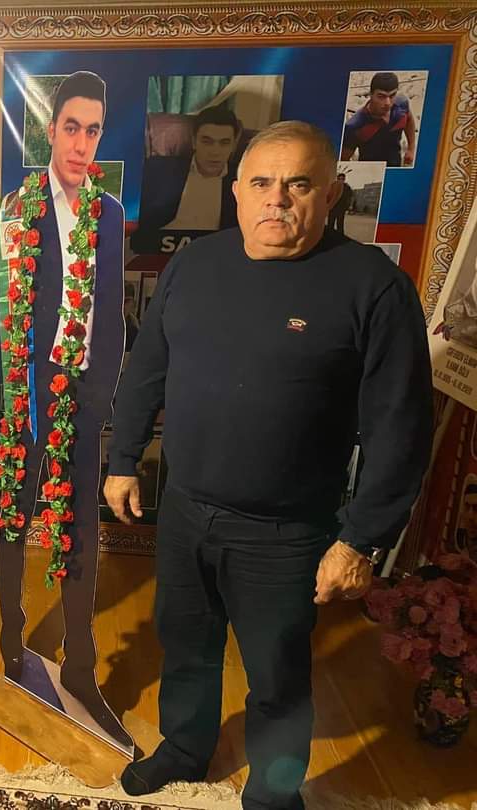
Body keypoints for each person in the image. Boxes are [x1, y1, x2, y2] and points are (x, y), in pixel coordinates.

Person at [104, 121, 432, 809]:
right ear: (236, 190)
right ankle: (185, 747)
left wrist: (360, 540)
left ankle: (273, 796)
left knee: (277, 680)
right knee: (185, 647)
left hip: (286, 533)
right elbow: (148, 367)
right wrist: (123, 457)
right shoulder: (195, 265)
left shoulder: (374, 287)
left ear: (330, 194)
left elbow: (401, 429)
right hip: (185, 510)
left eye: (298, 184)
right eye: (261, 182)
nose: (276, 199)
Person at [0, 70, 130, 746]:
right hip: (25, 390)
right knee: (14, 515)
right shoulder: (17, 209)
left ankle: (81, 663)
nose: (81, 142)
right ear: (50, 130)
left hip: (83, 393)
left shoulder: (109, 213)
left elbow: (112, 314)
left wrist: (98, 396)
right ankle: (11, 642)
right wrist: (12, 382)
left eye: (93, 130)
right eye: (71, 127)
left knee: (79, 530)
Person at [137, 105, 243, 238]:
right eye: (207, 142)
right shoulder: (158, 169)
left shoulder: (243, 179)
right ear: (194, 141)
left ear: (233, 145)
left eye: (224, 143)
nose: (215, 152)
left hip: (213, 247)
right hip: (162, 244)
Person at [341, 71, 416, 167]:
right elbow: (343, 160)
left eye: (392, 95)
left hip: (395, 163)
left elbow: (409, 120)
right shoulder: (355, 125)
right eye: (381, 96)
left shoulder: (401, 105)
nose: (387, 103)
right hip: (370, 170)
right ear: (371, 95)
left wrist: (411, 149)